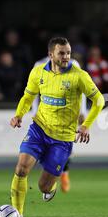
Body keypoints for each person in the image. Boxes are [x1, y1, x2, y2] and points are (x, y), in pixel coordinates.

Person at [9, 37, 104, 217]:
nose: (66, 56)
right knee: (21, 169)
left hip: (63, 139)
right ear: (50, 54)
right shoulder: (38, 72)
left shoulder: (79, 76)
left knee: (43, 186)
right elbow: (28, 96)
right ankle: (18, 216)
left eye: (68, 53)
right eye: (62, 53)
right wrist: (18, 115)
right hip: (39, 129)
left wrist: (86, 125)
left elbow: (99, 101)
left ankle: (50, 188)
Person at [32, 56, 88, 193]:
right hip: (47, 112)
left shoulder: (73, 64)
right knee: (46, 146)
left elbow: (82, 88)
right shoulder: (39, 64)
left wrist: (82, 111)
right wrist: (34, 112)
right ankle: (55, 175)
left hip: (68, 111)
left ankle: (64, 173)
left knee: (65, 145)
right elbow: (34, 91)